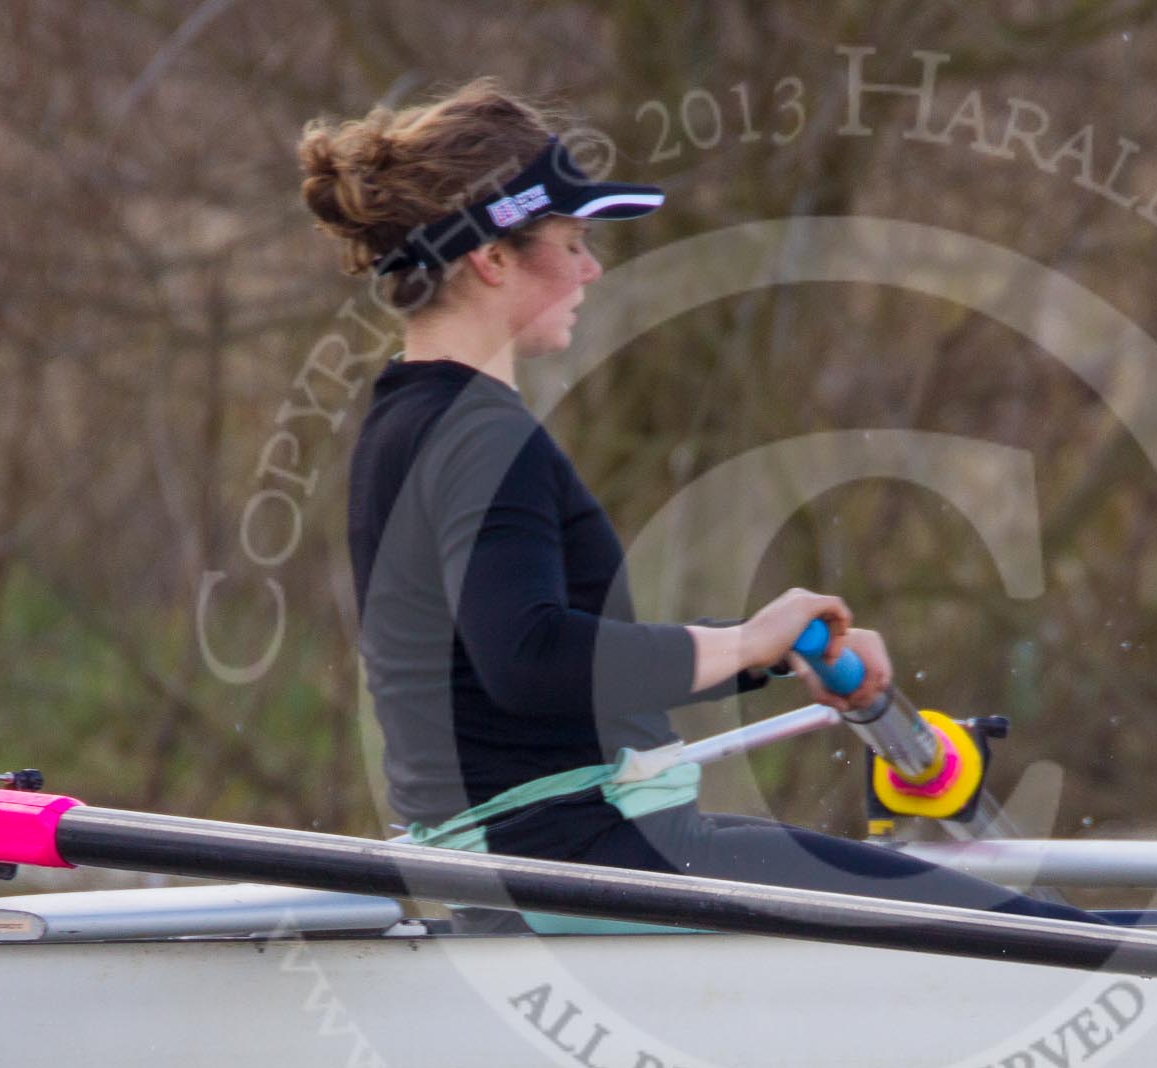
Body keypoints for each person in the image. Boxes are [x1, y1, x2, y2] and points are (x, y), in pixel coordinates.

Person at [298, 78, 1106, 928]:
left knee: (973, 913)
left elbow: (519, 662)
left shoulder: (404, 419)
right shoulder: (480, 435)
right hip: (579, 861)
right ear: (492, 259)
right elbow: (528, 658)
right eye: (571, 241)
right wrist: (746, 641)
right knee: (1031, 936)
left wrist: (770, 651)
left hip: (531, 865)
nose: (591, 267)